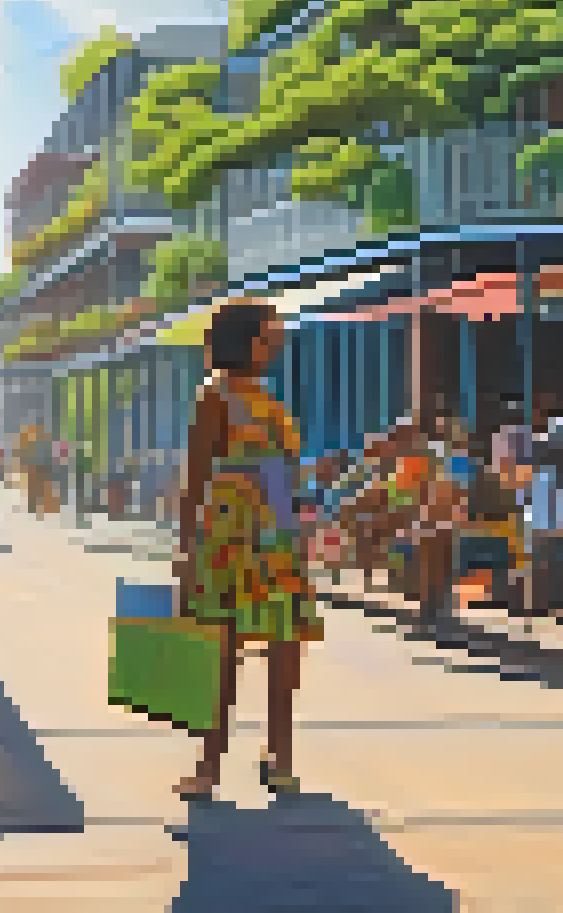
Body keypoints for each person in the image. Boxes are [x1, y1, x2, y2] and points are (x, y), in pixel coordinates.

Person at [173, 301, 319, 800]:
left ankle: (280, 755)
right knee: (222, 653)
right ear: (248, 339)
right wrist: (186, 550)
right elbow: (194, 480)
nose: (279, 336)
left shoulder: (270, 400)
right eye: (270, 329)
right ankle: (208, 765)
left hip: (277, 535)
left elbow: (283, 475)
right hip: (227, 537)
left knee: (285, 647)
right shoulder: (215, 396)